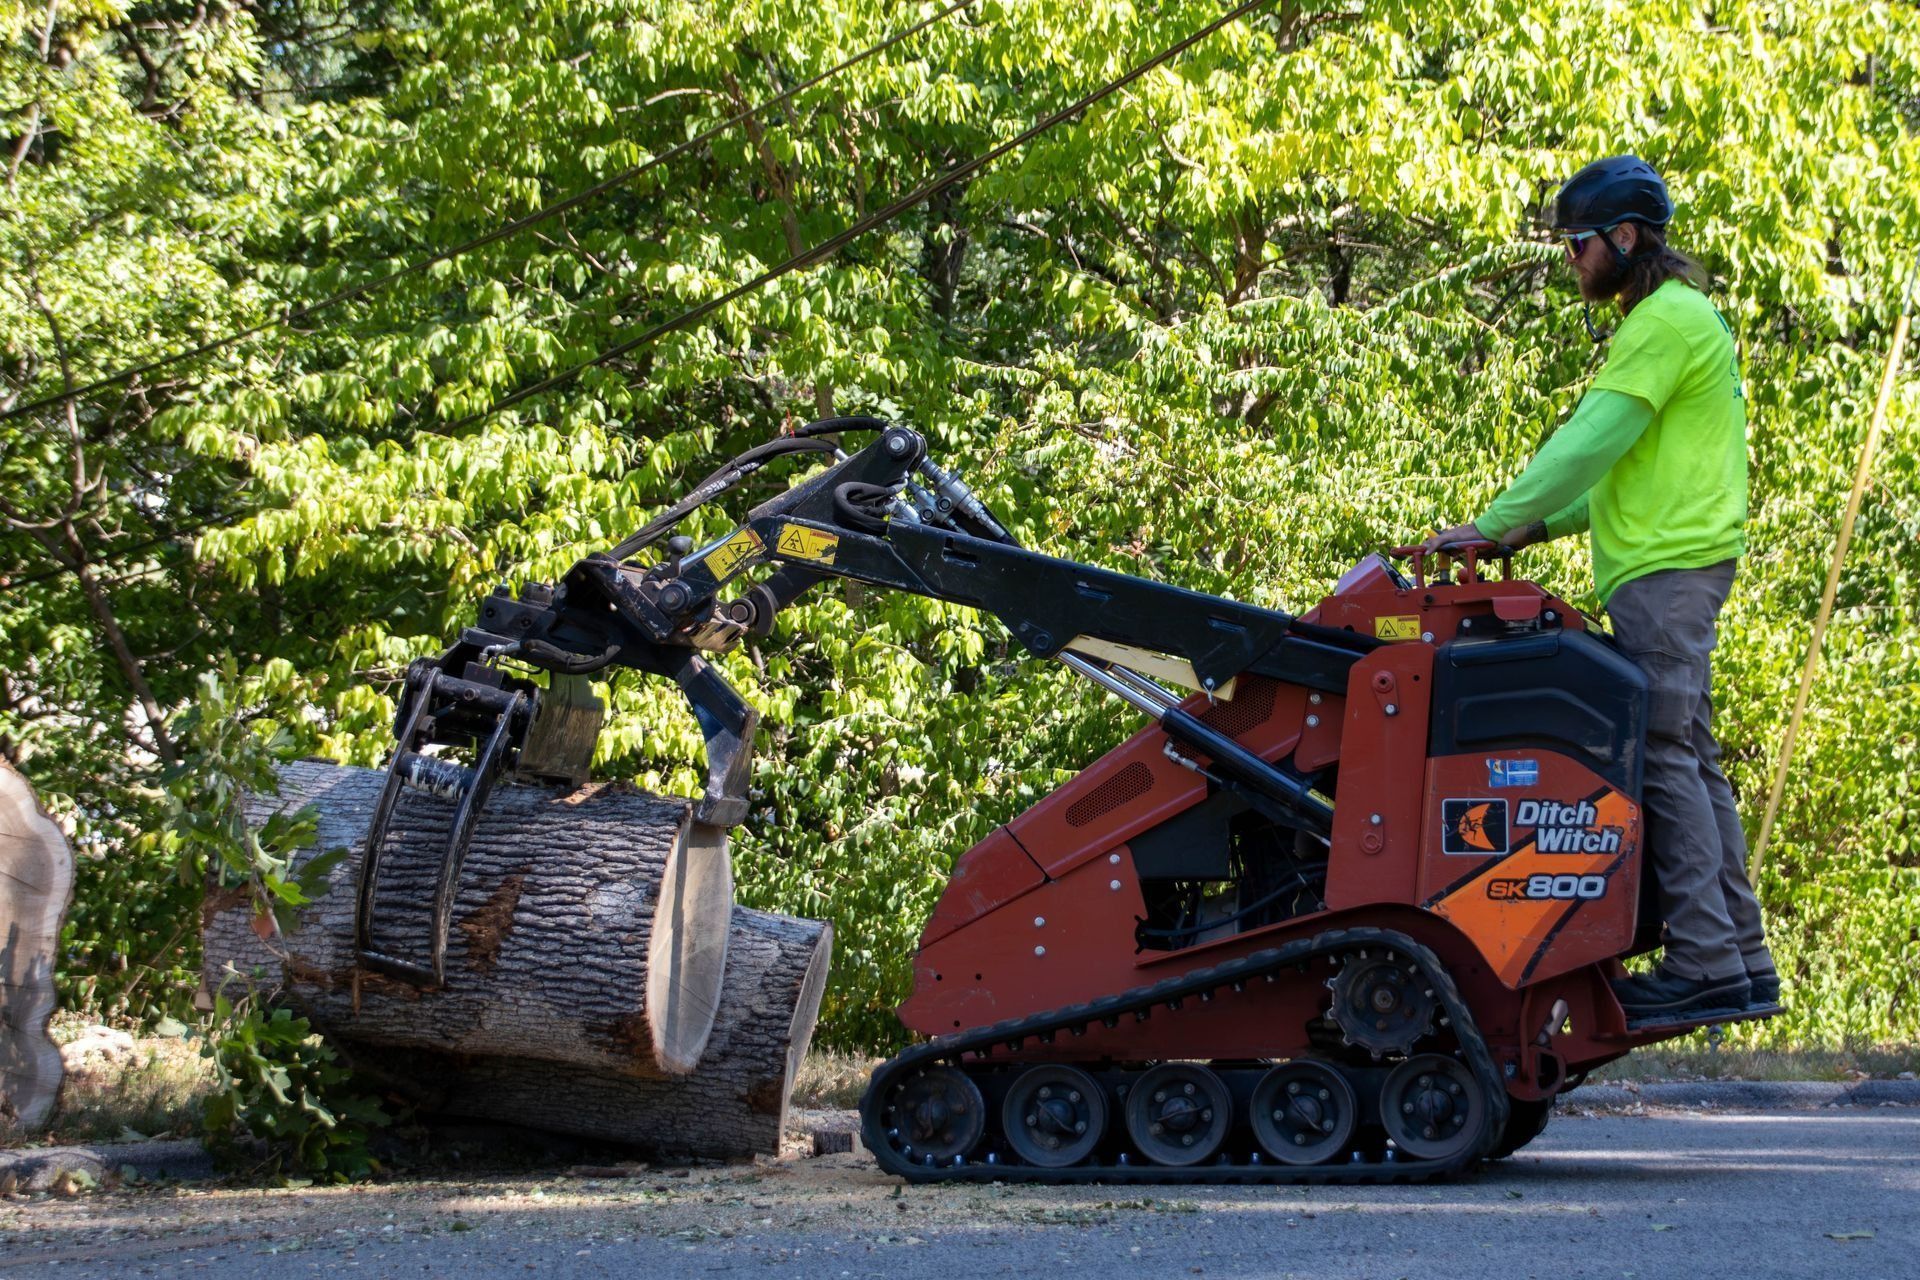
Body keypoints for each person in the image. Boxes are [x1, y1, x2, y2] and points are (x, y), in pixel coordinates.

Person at [1419, 155, 1777, 1022]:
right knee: (1690, 757)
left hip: (1666, 577)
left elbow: (1590, 438)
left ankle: (1704, 963)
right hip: (1674, 570)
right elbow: (1620, 473)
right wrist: (1542, 527)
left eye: (1577, 242)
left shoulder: (1661, 321)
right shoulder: (1687, 320)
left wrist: (1495, 522)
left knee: (1661, 757)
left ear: (1624, 237)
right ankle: (1742, 955)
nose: (1570, 259)